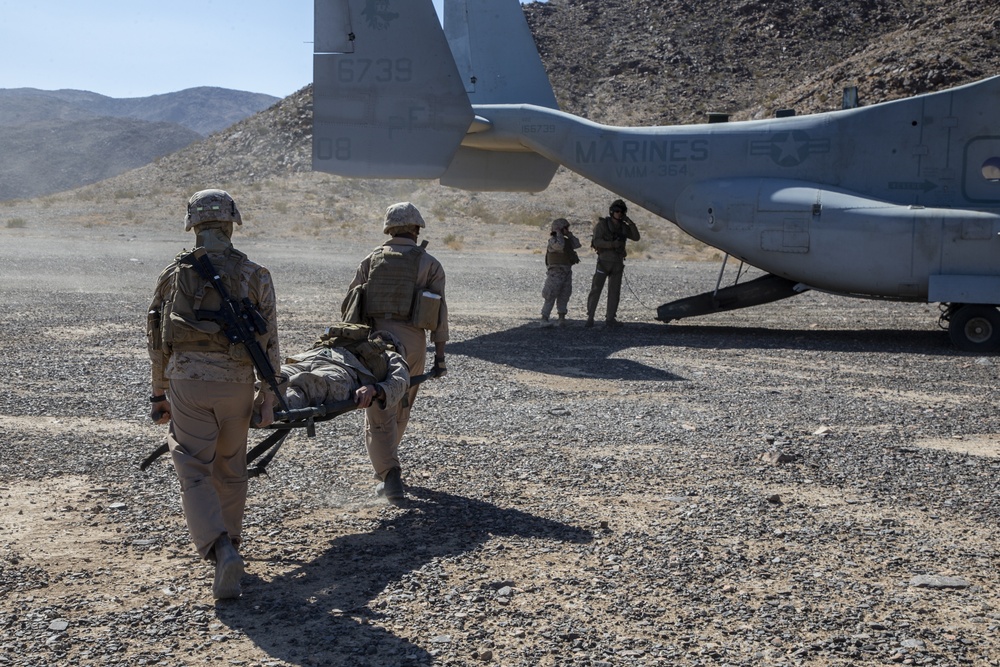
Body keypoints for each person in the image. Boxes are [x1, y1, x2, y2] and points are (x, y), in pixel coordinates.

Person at [146, 189, 281, 600]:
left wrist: (158, 394)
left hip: (187, 382)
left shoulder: (173, 274)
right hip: (238, 383)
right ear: (231, 222)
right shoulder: (256, 273)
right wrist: (269, 394)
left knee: (192, 468)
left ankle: (220, 549)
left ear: (194, 224)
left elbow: (157, 340)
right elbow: (271, 339)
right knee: (231, 466)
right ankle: (232, 544)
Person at [344, 202, 449, 503]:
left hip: (374, 342)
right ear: (416, 229)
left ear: (389, 228)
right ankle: (389, 471)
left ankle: (388, 475)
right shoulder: (429, 263)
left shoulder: (370, 259)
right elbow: (439, 316)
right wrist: (440, 358)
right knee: (400, 402)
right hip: (413, 343)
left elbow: (350, 308)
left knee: (378, 407)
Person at [274, 326, 410, 414]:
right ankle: (259, 398)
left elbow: (400, 382)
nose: (381, 340)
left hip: (342, 370)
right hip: (314, 358)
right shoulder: (354, 340)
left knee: (309, 385)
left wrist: (374, 389)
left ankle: (267, 404)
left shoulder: (392, 355)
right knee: (278, 376)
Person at [585, 198, 641, 327]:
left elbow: (636, 237)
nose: (619, 213)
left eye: (622, 212)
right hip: (604, 262)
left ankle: (610, 319)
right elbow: (596, 242)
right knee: (596, 290)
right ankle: (590, 317)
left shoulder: (624, 227)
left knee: (614, 292)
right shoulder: (602, 225)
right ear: (612, 211)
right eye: (617, 211)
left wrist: (630, 223)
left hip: (617, 263)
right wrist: (611, 244)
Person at [540, 218, 581, 326]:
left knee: (564, 294)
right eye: (565, 228)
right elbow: (560, 246)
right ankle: (544, 318)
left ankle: (561, 317)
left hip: (566, 271)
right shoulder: (553, 241)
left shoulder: (566, 240)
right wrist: (559, 233)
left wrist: (569, 235)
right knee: (550, 294)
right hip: (556, 272)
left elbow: (577, 244)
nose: (567, 230)